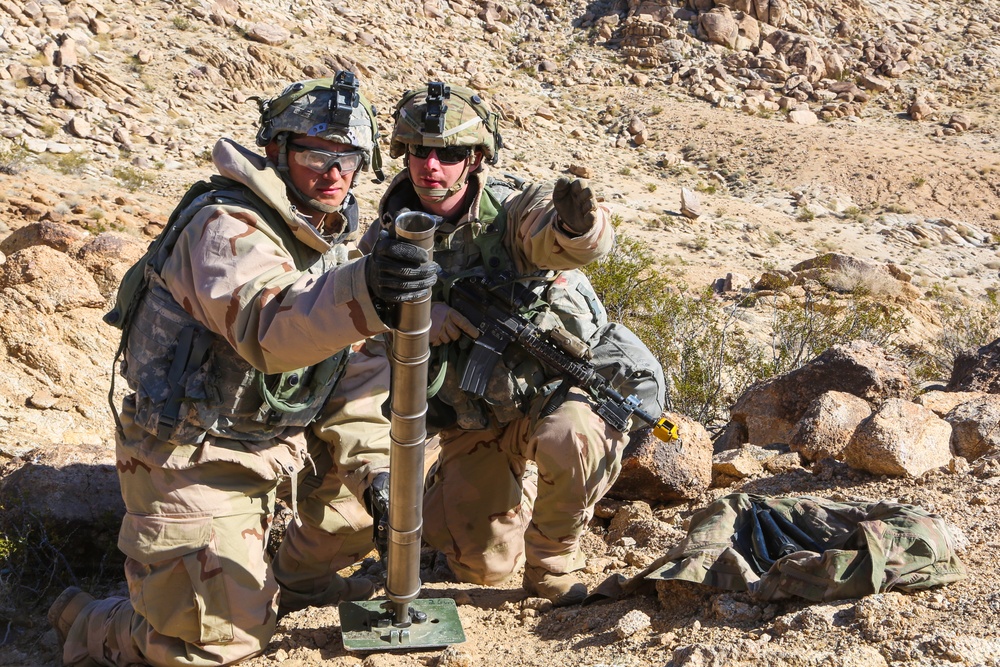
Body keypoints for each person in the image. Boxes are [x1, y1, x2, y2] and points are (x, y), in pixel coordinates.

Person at [47, 73, 437, 666]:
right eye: (316, 155)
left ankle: (293, 585)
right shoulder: (226, 226)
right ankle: (92, 624)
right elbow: (270, 330)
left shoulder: (324, 235)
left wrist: (378, 474)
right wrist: (366, 288)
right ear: (278, 153)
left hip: (275, 442)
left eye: (348, 158)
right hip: (195, 453)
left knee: (386, 500)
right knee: (214, 647)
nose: (334, 174)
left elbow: (353, 373)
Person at [360, 82, 664, 607]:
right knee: (480, 566)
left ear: (475, 158)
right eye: (419, 150)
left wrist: (580, 225)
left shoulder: (511, 209)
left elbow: (559, 236)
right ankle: (498, 493)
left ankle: (552, 562)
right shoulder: (389, 233)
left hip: (548, 391)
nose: (432, 164)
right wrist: (412, 321)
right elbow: (356, 323)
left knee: (572, 436)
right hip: (473, 414)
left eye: (450, 153)